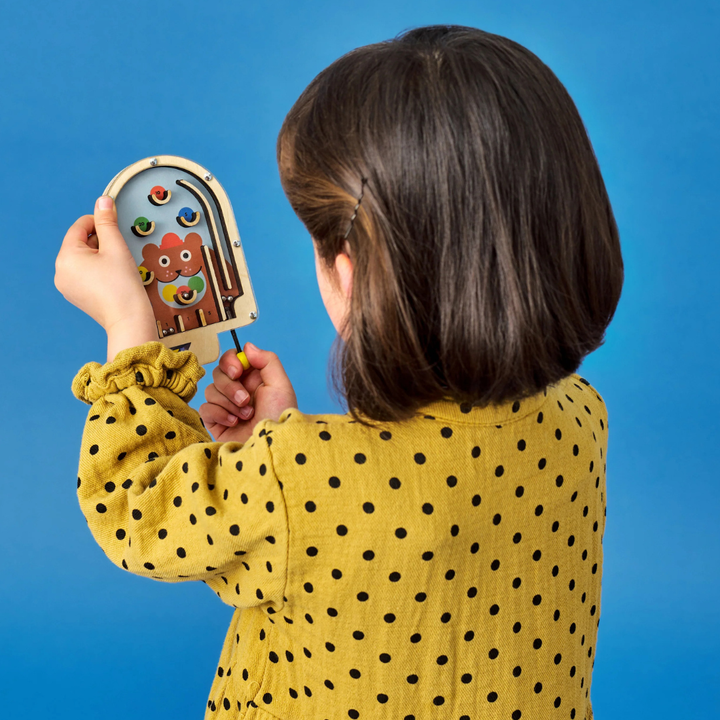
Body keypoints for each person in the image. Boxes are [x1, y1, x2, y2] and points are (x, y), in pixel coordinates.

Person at [55, 24, 623, 720]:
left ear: (347, 276)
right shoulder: (580, 419)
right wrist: (276, 442)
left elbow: (134, 509)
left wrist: (131, 338)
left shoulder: (293, 478)